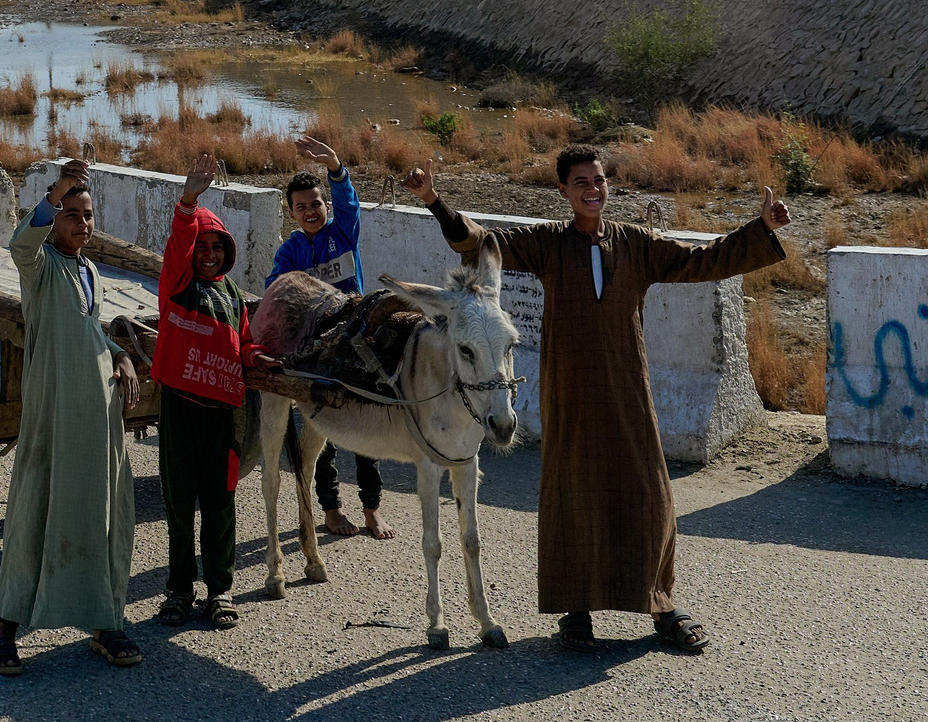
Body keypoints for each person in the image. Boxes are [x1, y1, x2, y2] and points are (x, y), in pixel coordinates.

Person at [402, 148, 790, 653]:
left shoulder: (635, 243)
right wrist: (433, 200)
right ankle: (576, 610)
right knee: (573, 493)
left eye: (599, 179)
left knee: (649, 494)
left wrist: (758, 228)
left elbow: (703, 261)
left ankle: (662, 604)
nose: (593, 188)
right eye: (580, 180)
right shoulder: (546, 244)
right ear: (563, 190)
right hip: (571, 389)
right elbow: (478, 244)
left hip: (628, 385)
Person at [0, 158, 143, 675]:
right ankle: (6, 631)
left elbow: (90, 330)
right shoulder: (41, 265)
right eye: (71, 213)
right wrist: (56, 188)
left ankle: (105, 621)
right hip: (54, 409)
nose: (81, 223)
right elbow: (19, 244)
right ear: (54, 218)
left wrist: (120, 354)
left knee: (99, 511)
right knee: (35, 507)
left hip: (96, 416)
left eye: (87, 214)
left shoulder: (89, 270)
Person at [150, 151, 278, 629]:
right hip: (180, 411)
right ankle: (179, 590)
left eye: (216, 248)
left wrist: (255, 356)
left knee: (221, 505)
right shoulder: (177, 284)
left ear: (227, 253)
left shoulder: (229, 295)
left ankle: (219, 592)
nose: (209, 254)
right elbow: (179, 240)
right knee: (180, 504)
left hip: (222, 418)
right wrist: (188, 200)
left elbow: (241, 343)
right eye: (202, 247)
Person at [266, 135, 390, 540]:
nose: (310, 211)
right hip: (317, 351)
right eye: (301, 207)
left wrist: (336, 168)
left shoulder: (344, 234)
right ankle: (332, 509)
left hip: (359, 341)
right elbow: (276, 289)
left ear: (326, 206)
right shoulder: (290, 253)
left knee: (371, 425)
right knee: (324, 432)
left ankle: (372, 509)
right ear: (291, 213)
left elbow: (350, 203)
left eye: (316, 204)